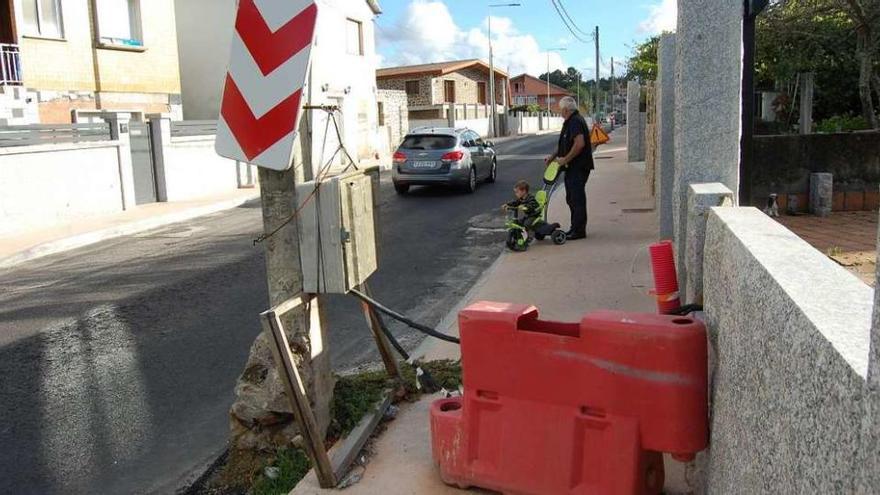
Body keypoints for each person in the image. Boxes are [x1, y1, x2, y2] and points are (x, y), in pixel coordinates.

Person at [543, 96, 594, 240]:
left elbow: (579, 144)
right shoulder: (570, 122)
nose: (560, 113)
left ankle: (578, 231)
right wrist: (553, 157)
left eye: (561, 110)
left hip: (578, 167)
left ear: (566, 110)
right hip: (572, 168)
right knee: (571, 198)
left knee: (576, 199)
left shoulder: (575, 122)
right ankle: (575, 228)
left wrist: (565, 159)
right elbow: (563, 145)